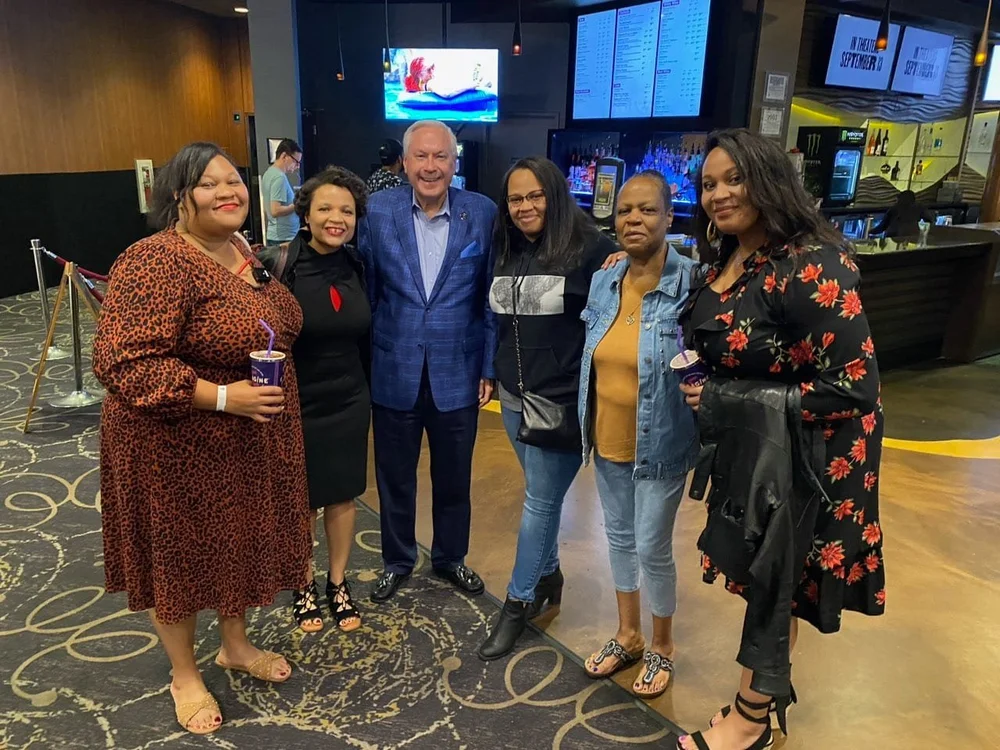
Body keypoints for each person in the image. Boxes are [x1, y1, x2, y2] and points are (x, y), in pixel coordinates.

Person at [676, 128, 885, 750]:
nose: (719, 194)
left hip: (811, 459)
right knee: (767, 582)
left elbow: (855, 388)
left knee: (777, 585)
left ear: (769, 180)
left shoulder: (812, 264)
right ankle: (758, 711)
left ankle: (749, 723)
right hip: (759, 447)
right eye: (709, 184)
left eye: (734, 179)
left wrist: (725, 397)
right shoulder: (730, 257)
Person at [93, 142, 312, 736]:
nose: (228, 192)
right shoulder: (154, 260)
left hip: (240, 443)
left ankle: (234, 645)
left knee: (232, 541)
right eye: (209, 184)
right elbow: (124, 363)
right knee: (182, 554)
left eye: (234, 181)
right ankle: (184, 673)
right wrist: (221, 397)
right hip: (174, 445)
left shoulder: (240, 249)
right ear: (178, 196)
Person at [476, 157, 618, 661]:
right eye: (515, 198)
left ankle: (517, 603)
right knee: (543, 497)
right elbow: (496, 318)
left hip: (560, 402)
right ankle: (549, 576)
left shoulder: (593, 249)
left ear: (554, 195)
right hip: (513, 398)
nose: (525, 206)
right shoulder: (506, 246)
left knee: (539, 502)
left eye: (535, 195)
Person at [356, 120, 498, 603]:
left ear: (455, 163)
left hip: (458, 371)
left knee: (454, 477)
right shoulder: (377, 211)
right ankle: (397, 560)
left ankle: (450, 557)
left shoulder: (482, 212)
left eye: (441, 157)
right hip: (393, 368)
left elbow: (489, 297)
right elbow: (368, 291)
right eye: (421, 156)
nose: (431, 166)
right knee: (394, 477)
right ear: (405, 161)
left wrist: (488, 366)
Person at [576, 172, 700, 698]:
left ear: (669, 217)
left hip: (661, 441)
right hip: (607, 436)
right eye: (625, 210)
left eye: (647, 210)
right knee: (620, 539)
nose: (634, 219)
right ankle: (628, 634)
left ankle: (663, 645)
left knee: (652, 546)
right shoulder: (604, 280)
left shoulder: (693, 282)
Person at [259, 167, 371, 635]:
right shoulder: (279, 263)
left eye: (347, 210)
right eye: (325, 208)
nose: (336, 218)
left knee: (343, 494)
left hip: (350, 398)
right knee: (301, 499)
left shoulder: (358, 264)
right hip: (296, 402)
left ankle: (337, 581)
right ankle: (302, 582)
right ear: (305, 215)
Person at [263, 138, 303, 245]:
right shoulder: (279, 177)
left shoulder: (269, 173)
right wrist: (297, 205)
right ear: (284, 156)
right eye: (296, 162)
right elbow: (275, 210)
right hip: (284, 238)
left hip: (278, 235)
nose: (297, 166)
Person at [871, 189, 935, 237]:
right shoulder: (919, 207)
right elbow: (929, 220)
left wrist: (870, 232)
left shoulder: (895, 209)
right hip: (911, 236)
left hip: (894, 236)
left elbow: (882, 227)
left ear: (901, 198)